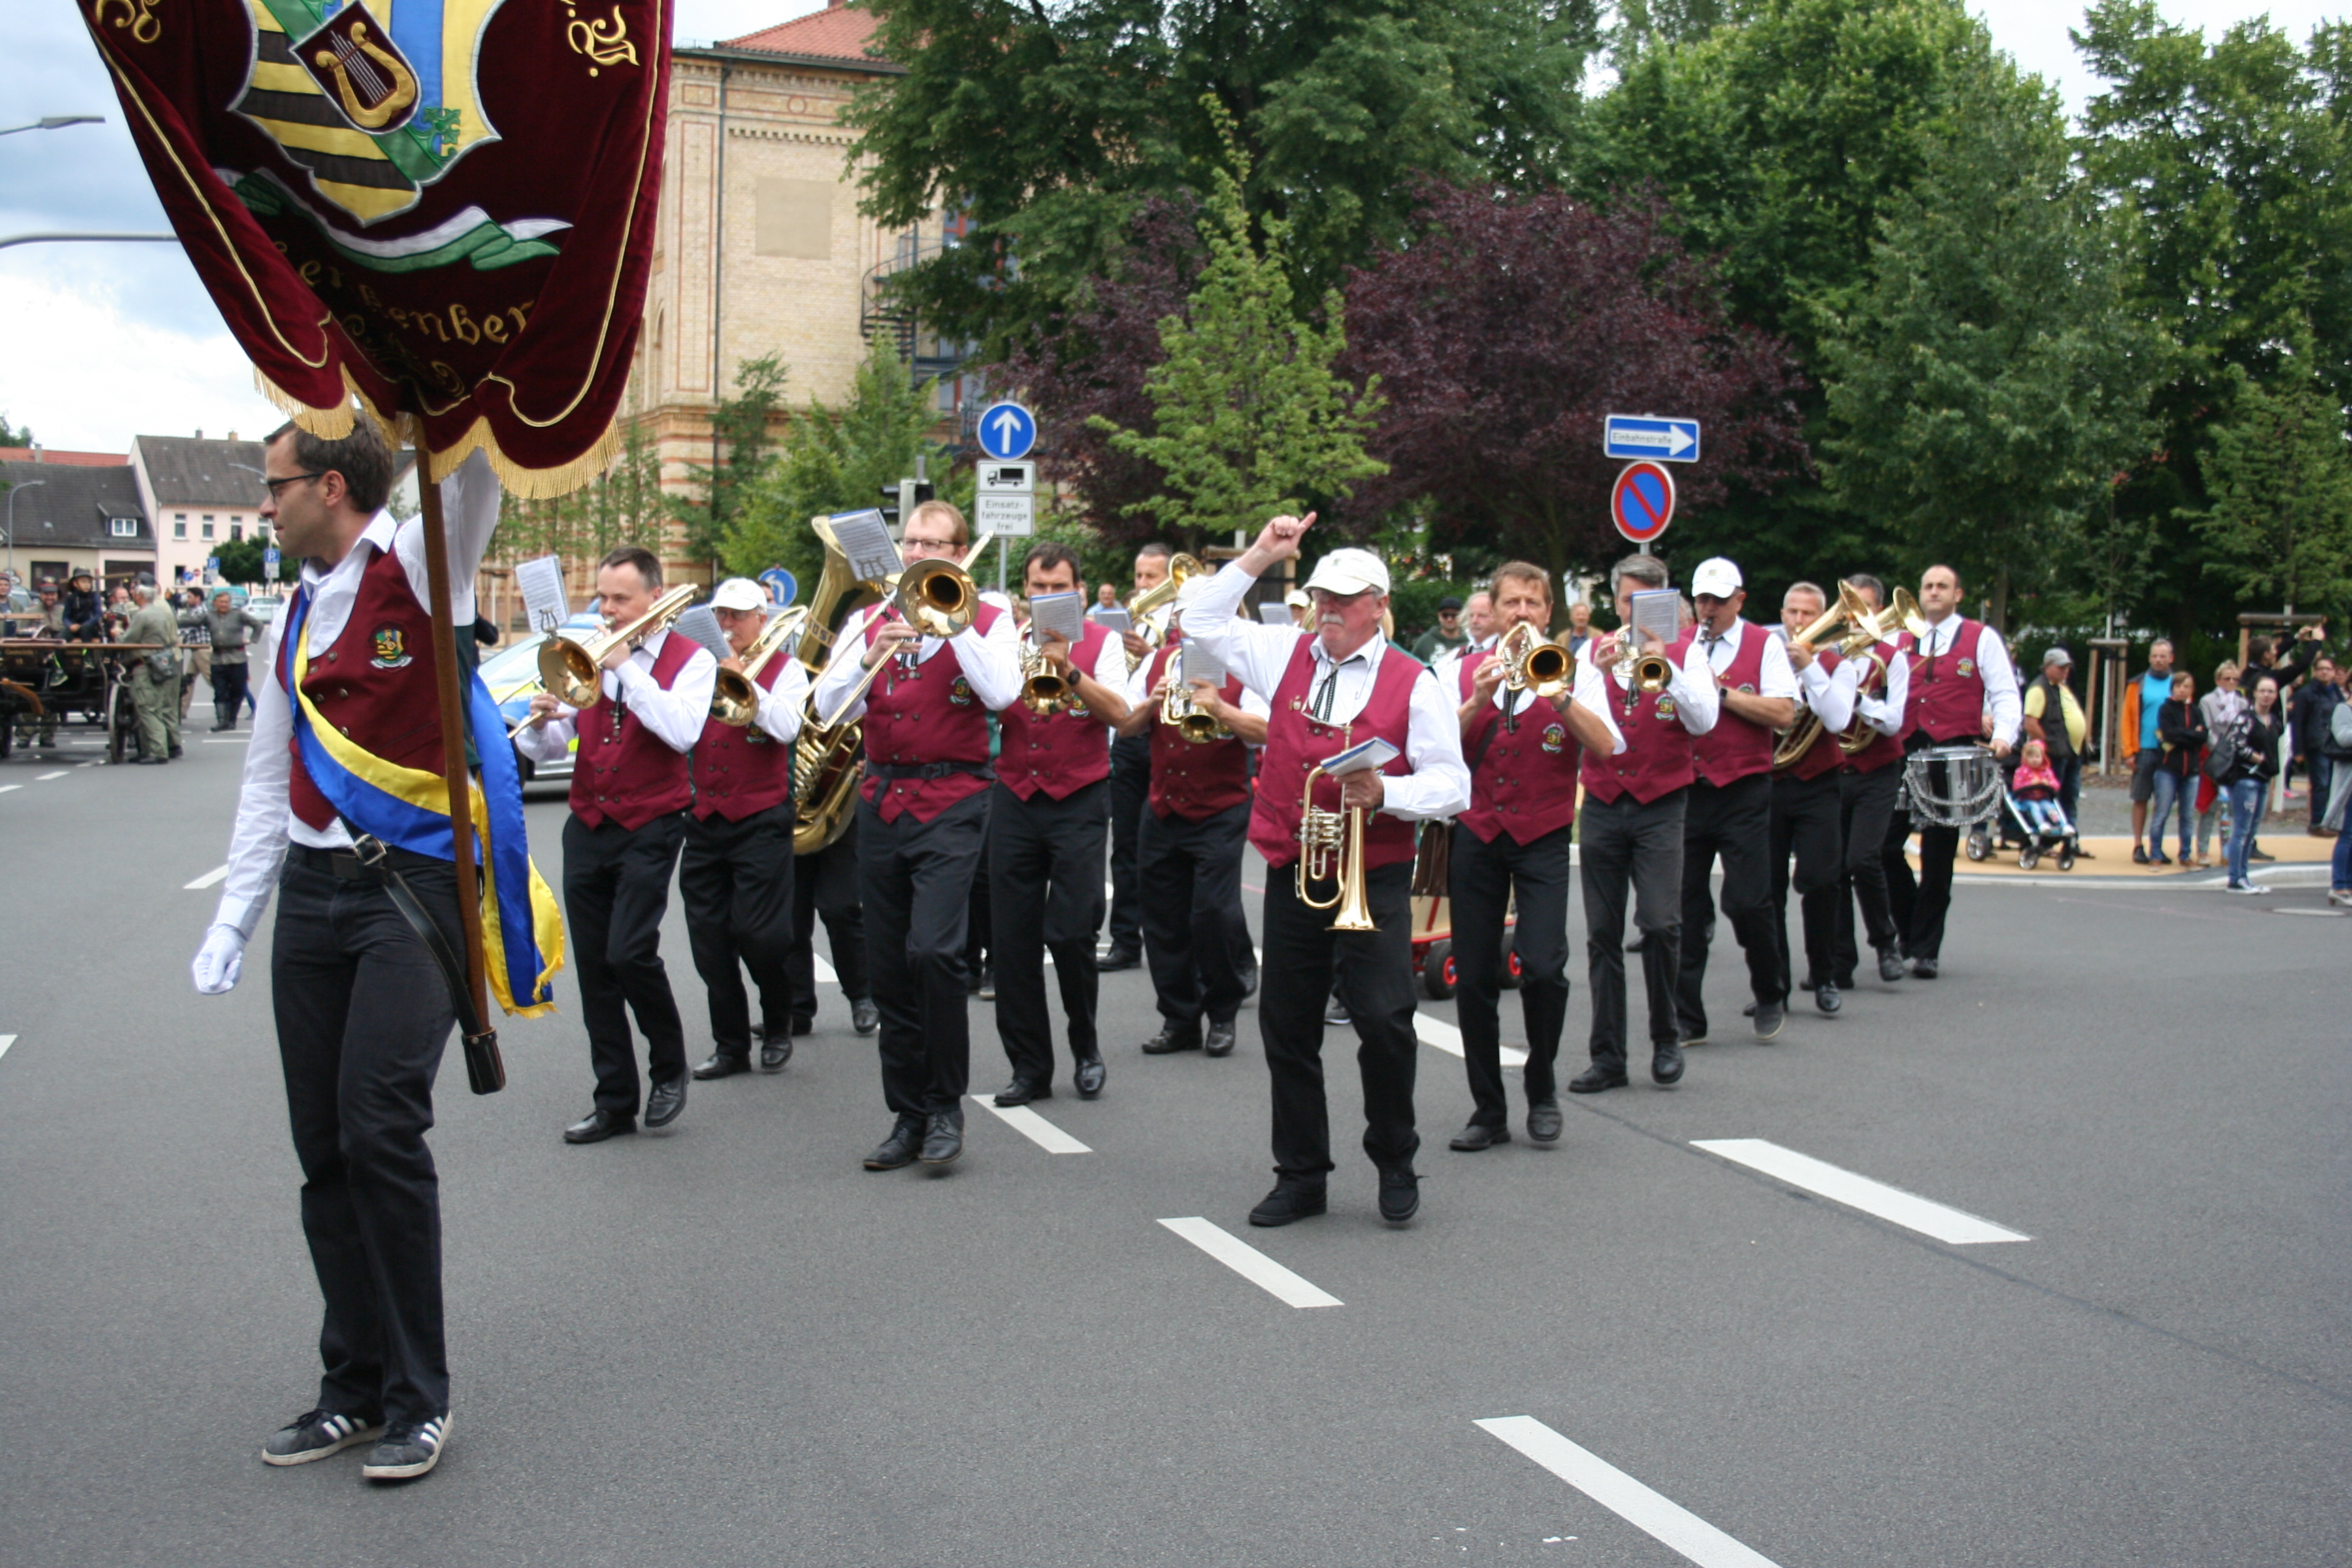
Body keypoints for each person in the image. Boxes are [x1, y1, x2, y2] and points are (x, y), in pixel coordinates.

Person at [189, 420, 517, 1483]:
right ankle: (356, 1388)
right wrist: (235, 915)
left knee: (381, 1130)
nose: (263, 503)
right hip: (314, 899)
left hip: (407, 891)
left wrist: (421, 370)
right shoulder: (289, 610)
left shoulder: (422, 562)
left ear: (329, 487)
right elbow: (262, 775)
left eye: (272, 485)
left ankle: (423, 1397)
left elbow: (471, 474)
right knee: (323, 1149)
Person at [1183, 517, 1469, 1228]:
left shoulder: (1416, 678)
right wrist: (1262, 555)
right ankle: (1301, 1173)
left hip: (1370, 873)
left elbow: (1454, 785)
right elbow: (1200, 618)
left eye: (1343, 600)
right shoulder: (1285, 653)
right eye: (1319, 598)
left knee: (1385, 1021)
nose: (1328, 611)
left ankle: (1396, 1156)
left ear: (1378, 602)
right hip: (1294, 866)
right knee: (1287, 1026)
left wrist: (1391, 794)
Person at [812, 498, 1019, 1171]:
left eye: (936, 543)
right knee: (890, 965)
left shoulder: (990, 616)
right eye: (911, 541)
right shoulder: (867, 617)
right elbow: (825, 708)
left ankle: (947, 1106)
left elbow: (1002, 694)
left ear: (959, 555)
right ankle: (908, 1114)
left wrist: (951, 622)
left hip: (953, 799)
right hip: (882, 800)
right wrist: (865, 654)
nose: (920, 550)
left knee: (935, 952)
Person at [520, 546, 717, 1145]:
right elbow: (553, 752)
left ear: (654, 599)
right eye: (602, 598)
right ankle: (613, 1101)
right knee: (595, 967)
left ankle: (669, 1067)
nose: (606, 610)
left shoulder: (693, 660)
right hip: (589, 822)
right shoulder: (588, 658)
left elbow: (682, 731)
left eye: (620, 599)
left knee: (630, 952)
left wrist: (627, 666)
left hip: (652, 822)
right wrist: (544, 724)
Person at [1446, 562, 1611, 1151]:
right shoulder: (1460, 667)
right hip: (1477, 832)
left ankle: (1541, 1088)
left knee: (1543, 968)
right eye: (1511, 602)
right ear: (1491, 610)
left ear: (1548, 613)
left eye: (1532, 604)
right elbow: (1435, 747)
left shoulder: (1576, 672)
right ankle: (1488, 1109)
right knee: (1475, 978)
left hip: (1542, 834)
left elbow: (1608, 744)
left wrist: (1559, 695)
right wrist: (1476, 699)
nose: (1521, 613)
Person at [1568, 553, 1720, 1096]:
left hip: (1662, 802)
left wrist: (1668, 666)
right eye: (1629, 602)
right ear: (1615, 601)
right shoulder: (1593, 651)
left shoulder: (1688, 651)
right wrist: (1599, 673)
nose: (1636, 613)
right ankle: (1607, 1056)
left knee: (1659, 923)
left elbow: (1704, 720)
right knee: (1602, 935)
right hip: (1606, 800)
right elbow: (1584, 724)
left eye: (1648, 604)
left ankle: (1666, 1037)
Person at [987, 541, 1132, 1106]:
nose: (1047, 597)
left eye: (1058, 588)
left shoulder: (1105, 642)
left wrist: (1068, 669)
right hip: (1015, 796)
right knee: (1012, 941)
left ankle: (1086, 1045)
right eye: (1038, 587)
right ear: (1026, 590)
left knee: (1072, 932)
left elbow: (1120, 713)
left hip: (1080, 797)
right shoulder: (1007, 643)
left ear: (1078, 589)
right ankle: (1029, 1068)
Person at [1117, 574, 1267, 1060]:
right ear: (1177, 619)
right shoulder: (1161, 660)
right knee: (1161, 918)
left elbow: (1265, 731)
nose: (1191, 626)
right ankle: (1179, 1018)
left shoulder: (1246, 663)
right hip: (1163, 804)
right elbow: (1125, 725)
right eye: (1185, 616)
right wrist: (1151, 701)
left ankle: (1222, 1013)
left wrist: (1221, 708)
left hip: (1220, 807)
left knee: (1213, 913)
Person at [681, 578, 809, 1081]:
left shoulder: (787, 668)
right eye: (722, 616)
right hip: (706, 814)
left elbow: (788, 727)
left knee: (763, 935)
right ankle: (730, 1046)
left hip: (761, 816)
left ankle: (778, 1023)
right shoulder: (698, 667)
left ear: (762, 618)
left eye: (738, 616)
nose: (728, 626)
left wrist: (745, 682)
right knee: (709, 940)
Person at [1673, 558, 1798, 1043]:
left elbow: (1784, 712)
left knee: (1748, 902)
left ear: (1740, 601)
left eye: (1719, 601)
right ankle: (1688, 1017)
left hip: (1744, 788)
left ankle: (1770, 991)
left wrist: (1719, 693)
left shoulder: (1765, 644)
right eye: (1702, 599)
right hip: (1689, 789)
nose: (1709, 609)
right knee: (1684, 907)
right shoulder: (1683, 647)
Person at [1882, 566, 2019, 977]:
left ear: (1958, 595)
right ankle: (1907, 928)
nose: (1934, 592)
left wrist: (2005, 735)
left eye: (1943, 586)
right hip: (1902, 747)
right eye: (1928, 586)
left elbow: (2004, 691)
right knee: (1886, 847)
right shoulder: (1898, 637)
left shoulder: (1981, 638)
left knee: (1940, 853)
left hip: (1953, 750)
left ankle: (1927, 949)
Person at [1765, 582, 1860, 1017]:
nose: (1799, 622)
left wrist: (1809, 670)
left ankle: (1823, 975)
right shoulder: (1765, 658)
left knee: (1823, 883)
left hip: (1819, 784)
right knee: (1767, 890)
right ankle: (1774, 985)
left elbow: (1838, 718)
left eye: (1808, 614)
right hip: (1769, 784)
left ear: (1823, 618)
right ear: (1782, 615)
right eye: (1793, 613)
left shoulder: (1838, 665)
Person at [1831, 574, 1912, 989]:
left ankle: (1885, 942)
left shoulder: (1892, 657)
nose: (1853, 618)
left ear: (1879, 611)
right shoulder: (1826, 654)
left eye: (1863, 609)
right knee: (1833, 867)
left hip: (1877, 769)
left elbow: (1893, 721)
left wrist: (1855, 699)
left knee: (1863, 858)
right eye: (1848, 609)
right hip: (1835, 770)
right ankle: (1840, 959)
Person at [1101, 542, 1175, 973]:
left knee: (1170, 847)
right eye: (1139, 576)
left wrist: (1154, 658)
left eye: (1151, 577)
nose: (1143, 585)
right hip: (1130, 737)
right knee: (1125, 845)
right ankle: (1125, 939)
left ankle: (1179, 939)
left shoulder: (1183, 621)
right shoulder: (1128, 621)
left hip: (1171, 739)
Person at [2223, 675, 2285, 893]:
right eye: (2263, 691)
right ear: (2255, 693)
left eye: (2271, 692)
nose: (2267, 695)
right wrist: (2255, 757)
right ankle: (2235, 877)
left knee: (2252, 830)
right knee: (2241, 828)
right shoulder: (2246, 718)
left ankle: (2244, 875)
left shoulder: (2276, 720)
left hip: (2264, 779)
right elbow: (2235, 744)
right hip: (2245, 778)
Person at [2021, 647, 2087, 845]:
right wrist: (2046, 747)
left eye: (2066, 668)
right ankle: (2049, 841)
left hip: (2070, 752)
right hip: (2053, 754)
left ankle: (2070, 840)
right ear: (2048, 667)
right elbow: (2031, 722)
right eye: (2060, 668)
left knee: (2070, 797)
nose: (2064, 671)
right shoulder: (2038, 689)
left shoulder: (2061, 687)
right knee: (2052, 799)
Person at [2121, 639, 2176, 864]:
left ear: (2170, 658)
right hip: (2144, 748)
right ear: (2150, 658)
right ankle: (2137, 844)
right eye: (2155, 656)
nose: (2159, 660)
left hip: (2169, 750)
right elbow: (2127, 719)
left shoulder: (2177, 684)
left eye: (2163, 656)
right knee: (2141, 797)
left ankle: (2157, 845)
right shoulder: (2138, 685)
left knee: (2164, 800)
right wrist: (2128, 751)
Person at [120, 583, 182, 764]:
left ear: (140, 596)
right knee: (155, 706)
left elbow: (128, 639)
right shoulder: (158, 612)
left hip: (144, 664)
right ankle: (150, 750)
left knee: (147, 708)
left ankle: (158, 751)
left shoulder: (143, 614)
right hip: (157, 663)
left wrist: (116, 634)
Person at [191, 587, 270, 733]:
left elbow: (258, 625)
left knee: (237, 691)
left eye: (227, 602)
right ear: (215, 603)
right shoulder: (209, 616)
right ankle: (222, 721)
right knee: (220, 691)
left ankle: (232, 720)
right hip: (218, 659)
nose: (224, 605)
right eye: (221, 602)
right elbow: (192, 622)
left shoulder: (238, 615)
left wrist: (253, 640)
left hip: (237, 658)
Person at [2148, 672, 2203, 865]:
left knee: (2187, 815)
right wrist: (2190, 735)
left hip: (2192, 770)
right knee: (2161, 812)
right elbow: (2169, 734)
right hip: (2168, 769)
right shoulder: (2166, 709)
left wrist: (2187, 736)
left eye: (2186, 686)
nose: (2182, 690)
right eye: (2179, 686)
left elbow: (2203, 737)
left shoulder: (2196, 711)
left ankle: (2185, 854)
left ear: (2191, 690)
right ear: (2173, 688)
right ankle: (2155, 853)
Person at [2289, 655, 2341, 834]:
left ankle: (2332, 820)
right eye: (2321, 669)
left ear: (2334, 672)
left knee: (2335, 784)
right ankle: (2317, 822)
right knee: (2321, 783)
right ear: (2315, 672)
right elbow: (2297, 722)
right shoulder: (2305, 694)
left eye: (2328, 669)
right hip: (2316, 745)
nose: (2325, 672)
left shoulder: (2337, 693)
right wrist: (2298, 749)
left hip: (2336, 746)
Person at [2008, 740, 2074, 842]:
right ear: (2025, 758)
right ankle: (2041, 824)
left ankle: (2062, 825)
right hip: (2026, 800)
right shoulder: (2021, 772)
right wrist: (2030, 784)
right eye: (2031, 757)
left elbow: (2056, 785)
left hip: (2042, 799)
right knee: (2034, 807)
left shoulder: (2046, 772)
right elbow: (2017, 786)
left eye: (2037, 757)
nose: (2034, 760)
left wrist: (2048, 784)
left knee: (2050, 807)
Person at [177, 587, 212, 722]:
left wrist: (176, 637)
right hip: (196, 649)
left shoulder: (200, 611)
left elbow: (190, 628)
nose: (187, 599)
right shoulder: (194, 610)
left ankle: (230, 705)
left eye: (190, 597)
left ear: (198, 598)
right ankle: (181, 711)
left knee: (213, 680)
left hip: (202, 649)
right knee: (188, 680)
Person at [1411, 595, 1468, 665]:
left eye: (1454, 615)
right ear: (1439, 616)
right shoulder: (1424, 643)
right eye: (1445, 615)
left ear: (1462, 617)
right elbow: (1411, 668)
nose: (1449, 619)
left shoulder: (1469, 645)